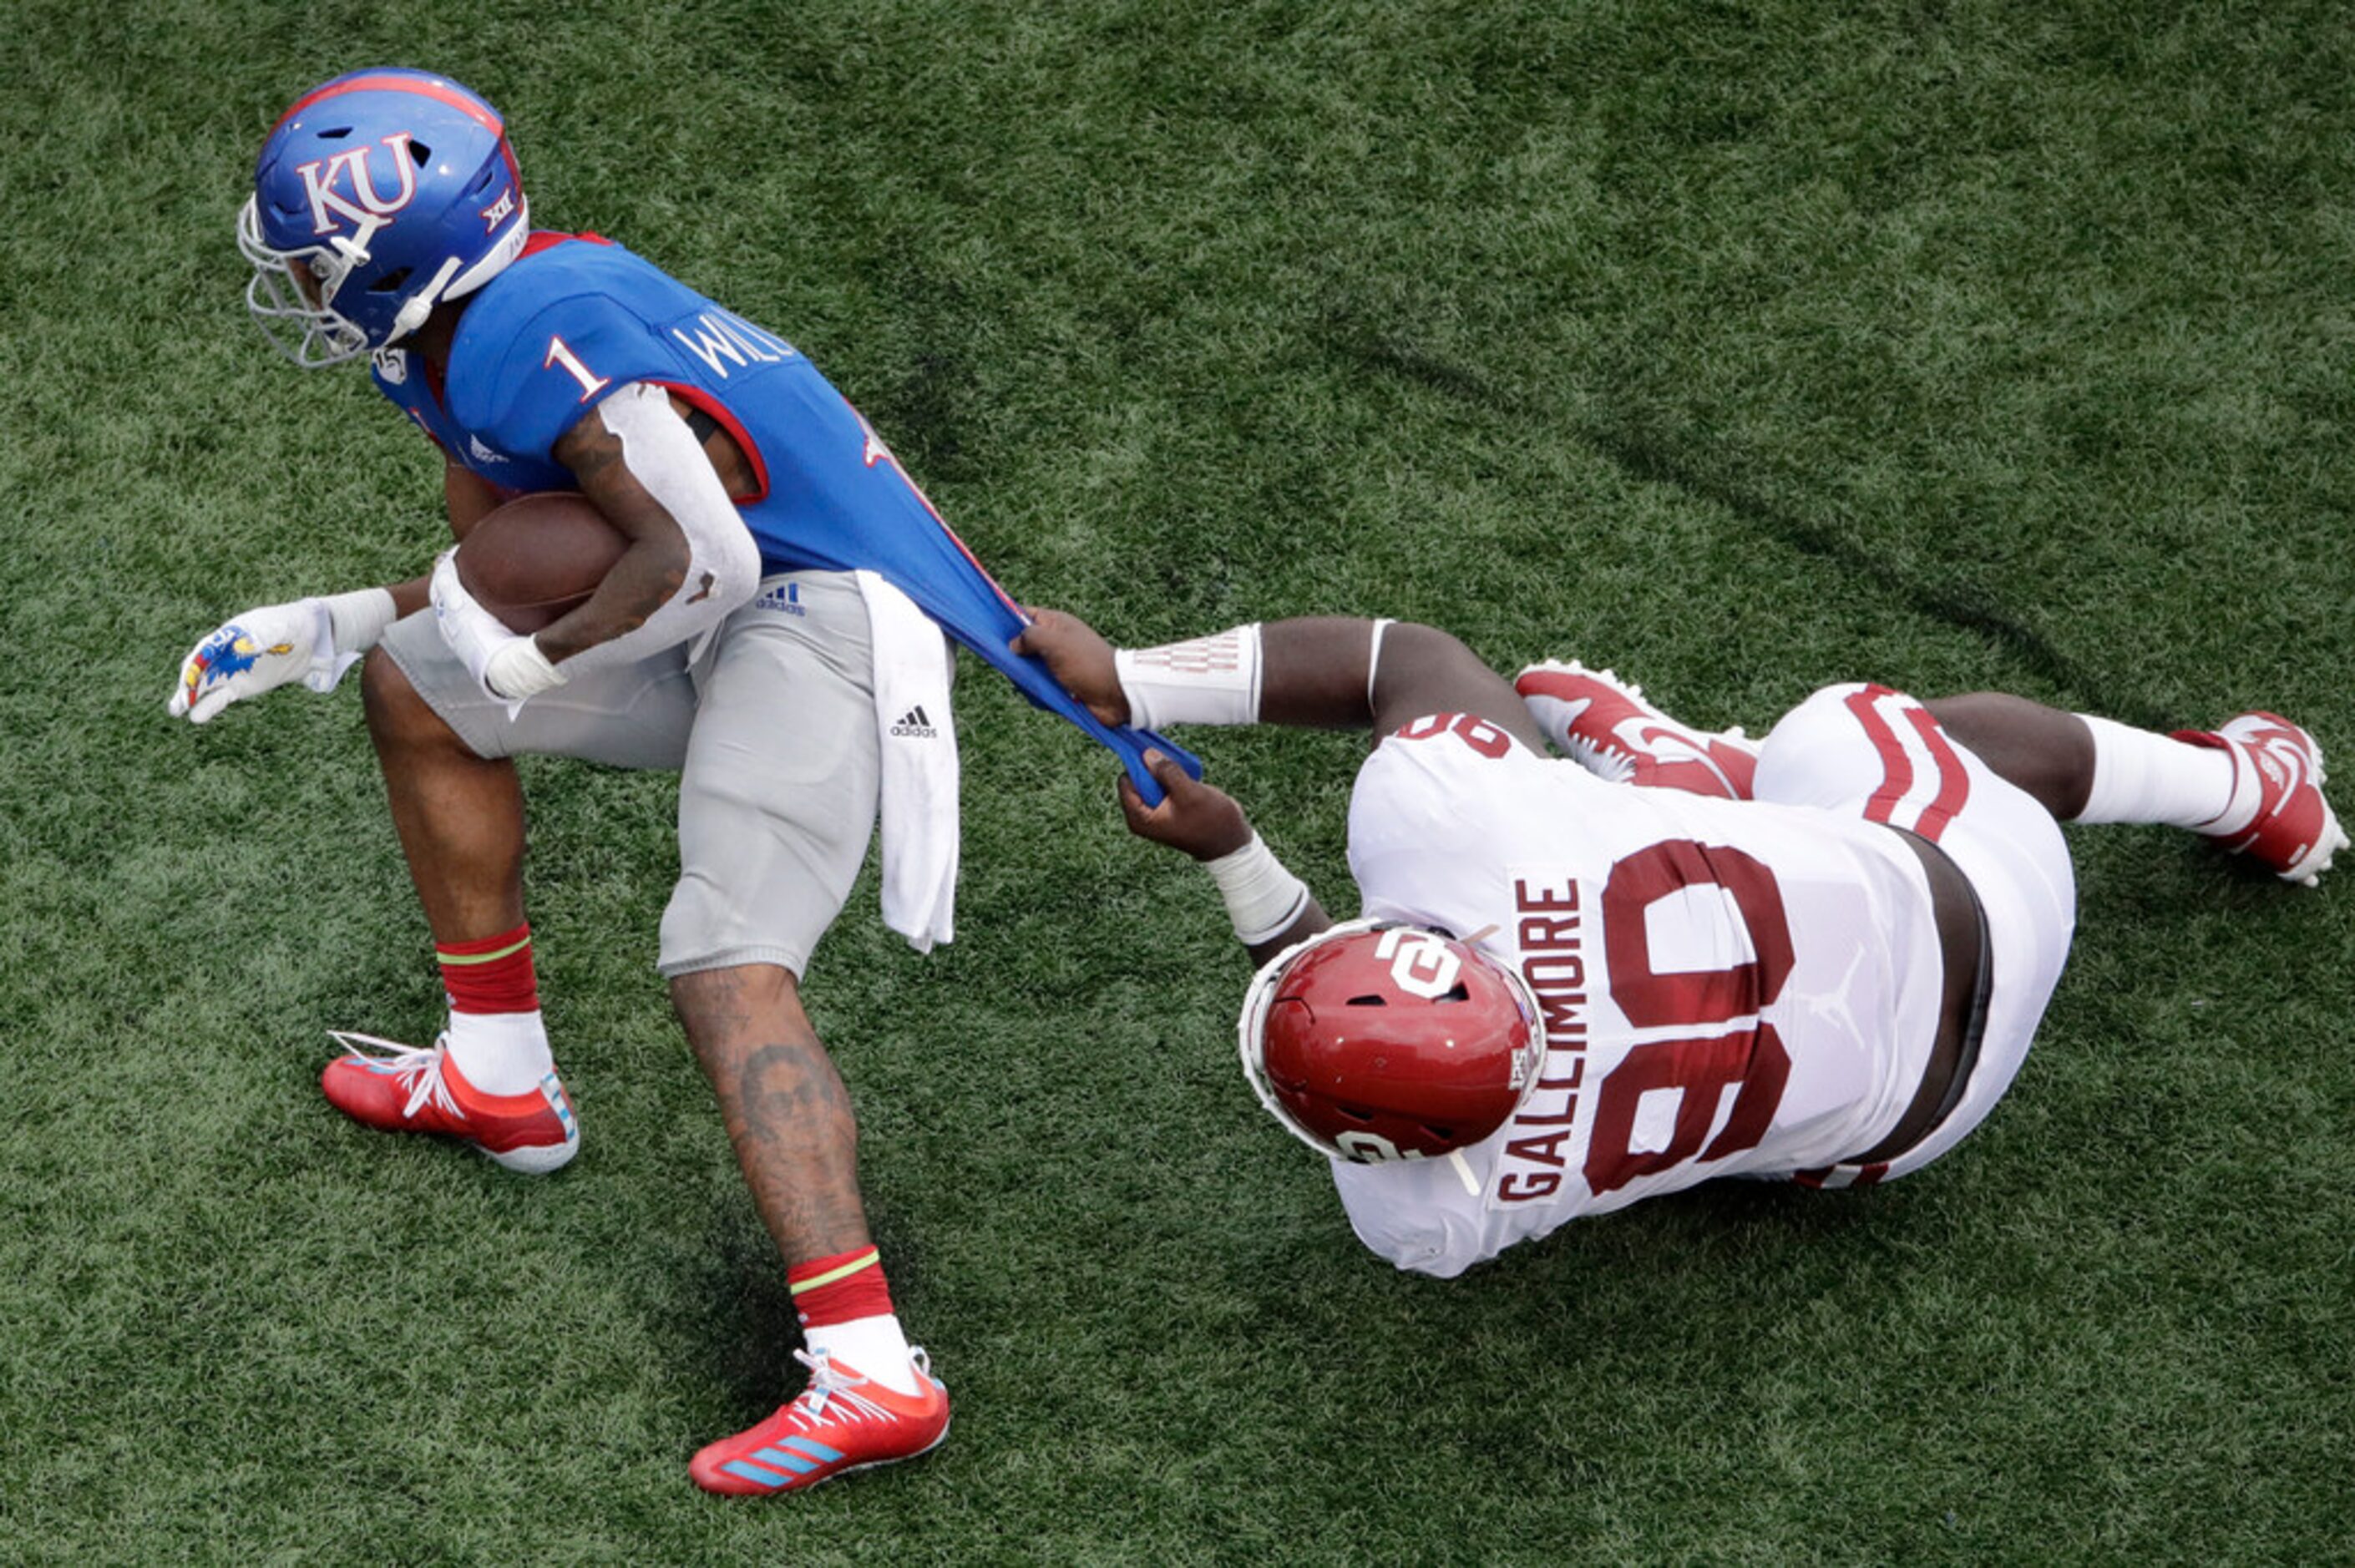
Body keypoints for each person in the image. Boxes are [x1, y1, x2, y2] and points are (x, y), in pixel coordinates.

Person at [166, 67, 1186, 1495]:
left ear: (400, 255)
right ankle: (500, 1076)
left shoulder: (537, 328)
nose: (301, 288)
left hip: (815, 612)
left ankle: (872, 1370)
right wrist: (348, 621)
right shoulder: (458, 330)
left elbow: (706, 554)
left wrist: (532, 667)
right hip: (708, 601)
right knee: (412, 683)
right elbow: (544, 553)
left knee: (724, 952)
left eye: (317, 263)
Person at [1011, 609, 2343, 1276]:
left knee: (1740, 967)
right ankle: (2252, 793)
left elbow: (1349, 1069)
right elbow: (1395, 657)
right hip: (1984, 894)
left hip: (1892, 1137)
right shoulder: (1459, 825)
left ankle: (1694, 781)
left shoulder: (1421, 1214)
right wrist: (1136, 680)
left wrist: (1243, 864)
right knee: (1855, 727)